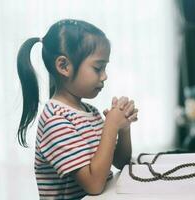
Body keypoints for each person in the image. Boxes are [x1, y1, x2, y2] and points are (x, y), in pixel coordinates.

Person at [16, 19, 138, 199]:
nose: (104, 76)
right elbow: (94, 184)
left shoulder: (90, 111)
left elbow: (121, 162)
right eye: (98, 68)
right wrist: (111, 126)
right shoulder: (55, 120)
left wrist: (124, 127)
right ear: (63, 66)